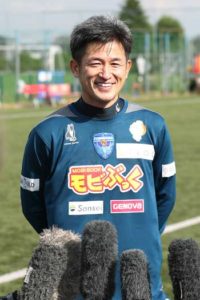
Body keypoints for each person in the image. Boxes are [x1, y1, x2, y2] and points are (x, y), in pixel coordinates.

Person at [20, 15, 176, 300]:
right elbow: (33, 206)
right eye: (95, 63)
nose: (106, 73)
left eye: (115, 63)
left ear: (127, 68)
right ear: (75, 68)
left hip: (141, 283)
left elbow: (166, 197)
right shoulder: (47, 133)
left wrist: (141, 231)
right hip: (75, 286)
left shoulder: (153, 126)